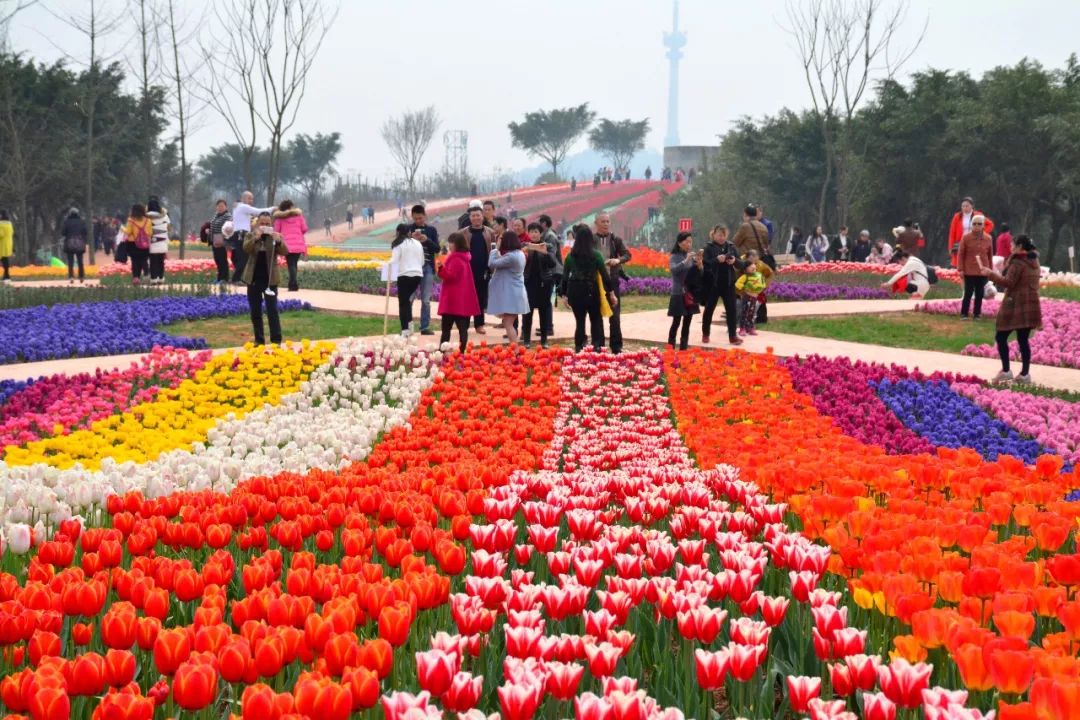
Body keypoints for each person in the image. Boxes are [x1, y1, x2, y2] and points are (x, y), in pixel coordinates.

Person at [982, 235, 1041, 384]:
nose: (1010, 247)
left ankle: (1006, 370)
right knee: (1023, 340)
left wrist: (990, 274)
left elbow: (1008, 282)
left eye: (1012, 244)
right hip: (1030, 303)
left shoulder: (1018, 261)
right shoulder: (1034, 260)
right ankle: (1025, 374)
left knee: (1001, 337)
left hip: (1015, 303)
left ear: (1020, 246)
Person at [560, 225, 617, 353]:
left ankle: (579, 347)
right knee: (595, 321)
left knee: (579, 322)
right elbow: (605, 276)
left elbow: (564, 278)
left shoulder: (570, 256)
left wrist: (564, 295)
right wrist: (612, 294)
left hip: (575, 291)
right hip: (592, 291)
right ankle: (596, 348)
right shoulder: (596, 255)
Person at [242, 212, 286, 346]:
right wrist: (255, 238)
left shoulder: (274, 237)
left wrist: (278, 242)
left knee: (272, 310)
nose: (264, 226)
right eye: (262, 223)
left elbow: (285, 251)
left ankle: (276, 340)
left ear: (271, 224)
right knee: (255, 311)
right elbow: (246, 248)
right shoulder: (251, 235)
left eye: (267, 224)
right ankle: (259, 340)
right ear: (257, 223)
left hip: (270, 279)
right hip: (253, 278)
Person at [594, 211, 631, 353]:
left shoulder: (616, 239)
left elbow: (628, 254)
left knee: (614, 316)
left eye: (607, 221)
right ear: (596, 223)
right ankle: (599, 346)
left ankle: (616, 347)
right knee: (596, 315)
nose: (605, 224)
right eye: (602, 221)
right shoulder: (591, 240)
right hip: (596, 282)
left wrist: (618, 260)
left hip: (612, 281)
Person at [437, 232, 480, 353]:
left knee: (446, 329)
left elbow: (449, 275)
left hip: (452, 300)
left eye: (451, 243)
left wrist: (441, 268)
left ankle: (442, 352)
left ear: (457, 244)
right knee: (463, 329)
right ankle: (462, 352)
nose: (449, 245)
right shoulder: (465, 257)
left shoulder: (455, 258)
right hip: (462, 302)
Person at [700, 224, 743, 346]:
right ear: (713, 234)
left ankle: (733, 336)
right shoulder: (708, 248)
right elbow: (704, 264)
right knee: (709, 309)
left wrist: (734, 261)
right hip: (713, 284)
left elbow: (741, 264)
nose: (721, 237)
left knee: (731, 310)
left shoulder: (731, 247)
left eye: (724, 235)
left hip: (728, 283)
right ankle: (705, 334)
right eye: (719, 235)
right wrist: (716, 260)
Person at [487, 232, 530, 344]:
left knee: (508, 324)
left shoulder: (511, 257)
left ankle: (514, 349)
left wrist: (495, 248)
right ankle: (514, 348)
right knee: (509, 323)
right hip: (516, 294)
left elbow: (491, 263)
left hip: (512, 295)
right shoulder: (519, 254)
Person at [406, 204, 440, 335]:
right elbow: (399, 246)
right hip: (412, 269)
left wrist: (427, 240)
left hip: (427, 268)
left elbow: (437, 249)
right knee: (410, 298)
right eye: (415, 219)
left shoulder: (431, 230)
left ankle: (424, 327)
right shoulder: (408, 230)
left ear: (425, 216)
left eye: (420, 218)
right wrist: (411, 239)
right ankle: (407, 326)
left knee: (426, 300)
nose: (418, 221)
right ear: (412, 217)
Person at [521, 221, 556, 349]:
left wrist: (545, 252)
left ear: (540, 233)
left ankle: (544, 340)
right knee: (527, 312)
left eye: (536, 231)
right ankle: (526, 340)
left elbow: (553, 264)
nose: (534, 234)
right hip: (528, 282)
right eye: (531, 231)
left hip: (544, 283)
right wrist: (522, 252)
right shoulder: (524, 246)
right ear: (528, 233)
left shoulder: (548, 246)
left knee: (544, 311)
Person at [668, 232, 703, 350]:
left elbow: (699, 275)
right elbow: (674, 270)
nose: (689, 244)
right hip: (678, 293)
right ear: (679, 243)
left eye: (690, 242)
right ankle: (670, 347)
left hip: (690, 293)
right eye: (686, 241)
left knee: (687, 322)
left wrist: (700, 265)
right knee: (676, 321)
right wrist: (686, 260)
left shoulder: (691, 257)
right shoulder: (674, 256)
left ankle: (683, 348)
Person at [231, 191, 276, 284]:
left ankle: (238, 278)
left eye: (252, 198)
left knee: (241, 256)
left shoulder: (238, 207)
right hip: (241, 234)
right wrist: (273, 208)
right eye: (249, 198)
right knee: (244, 257)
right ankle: (236, 278)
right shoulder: (243, 207)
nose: (251, 201)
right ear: (243, 198)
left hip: (239, 234)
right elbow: (258, 212)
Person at [388, 223, 424, 336]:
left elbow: (393, 261)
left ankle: (405, 330)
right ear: (409, 232)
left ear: (398, 232)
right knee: (407, 302)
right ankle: (410, 327)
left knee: (403, 303)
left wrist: (384, 268)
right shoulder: (418, 243)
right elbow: (422, 261)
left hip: (404, 275)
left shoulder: (398, 244)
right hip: (417, 275)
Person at [464, 205, 495, 334]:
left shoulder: (489, 232)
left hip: (483, 271)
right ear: (470, 218)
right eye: (473, 216)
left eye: (478, 215)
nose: (476, 218)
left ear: (482, 217)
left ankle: (479, 324)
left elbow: (493, 251)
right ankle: (464, 324)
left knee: (481, 298)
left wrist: (491, 268)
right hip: (467, 270)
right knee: (466, 297)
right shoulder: (463, 233)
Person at [957, 214, 993, 320]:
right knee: (968, 293)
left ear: (983, 226)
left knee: (980, 293)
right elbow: (961, 254)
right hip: (969, 271)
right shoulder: (966, 237)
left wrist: (990, 271)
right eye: (974, 224)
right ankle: (964, 314)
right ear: (971, 225)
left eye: (979, 224)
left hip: (983, 271)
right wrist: (960, 269)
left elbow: (990, 255)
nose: (976, 226)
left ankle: (977, 314)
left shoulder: (988, 238)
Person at [273, 199, 308, 292]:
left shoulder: (279, 218)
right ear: (290, 207)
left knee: (291, 264)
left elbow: (276, 231)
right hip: (298, 243)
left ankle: (293, 284)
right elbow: (304, 229)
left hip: (286, 245)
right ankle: (293, 284)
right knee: (294, 263)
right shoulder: (299, 216)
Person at [537, 214, 563, 339]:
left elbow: (551, 255)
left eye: (539, 223)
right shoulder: (546, 235)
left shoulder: (550, 236)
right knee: (545, 300)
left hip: (553, 271)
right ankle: (545, 325)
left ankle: (549, 328)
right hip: (549, 271)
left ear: (544, 224)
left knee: (548, 301)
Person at [948, 197, 993, 267]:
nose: (964, 208)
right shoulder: (957, 216)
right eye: (963, 206)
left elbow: (990, 225)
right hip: (960, 242)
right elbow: (952, 233)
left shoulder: (978, 215)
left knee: (973, 262)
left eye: (967, 206)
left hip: (974, 242)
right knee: (959, 263)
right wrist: (950, 247)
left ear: (972, 206)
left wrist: (980, 233)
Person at [735, 252, 768, 336]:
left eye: (753, 265)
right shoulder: (745, 277)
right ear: (745, 269)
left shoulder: (759, 275)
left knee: (752, 313)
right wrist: (744, 291)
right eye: (750, 266)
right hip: (746, 297)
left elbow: (763, 283)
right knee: (744, 312)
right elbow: (738, 285)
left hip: (754, 297)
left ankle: (750, 328)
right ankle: (742, 328)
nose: (753, 266)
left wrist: (760, 289)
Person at [121, 204, 153, 284]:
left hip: (133, 244)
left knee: (135, 261)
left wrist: (122, 228)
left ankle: (136, 277)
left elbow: (128, 232)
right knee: (144, 260)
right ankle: (146, 274)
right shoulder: (148, 220)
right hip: (144, 244)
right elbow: (150, 233)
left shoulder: (131, 220)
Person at [146, 197, 170, 284]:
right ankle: (161, 278)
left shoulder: (147, 217)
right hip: (163, 241)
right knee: (161, 261)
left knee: (153, 261)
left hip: (152, 241)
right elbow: (169, 227)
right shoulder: (165, 216)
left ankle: (153, 279)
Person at [61, 208, 88, 284]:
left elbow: (63, 232)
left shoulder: (66, 222)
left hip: (69, 243)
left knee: (70, 261)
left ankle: (71, 277)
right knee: (80, 261)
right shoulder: (81, 222)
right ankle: (81, 276)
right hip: (79, 243)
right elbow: (85, 232)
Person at [209, 199, 232, 284]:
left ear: (226, 207)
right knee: (217, 259)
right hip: (214, 240)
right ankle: (219, 277)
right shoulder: (216, 216)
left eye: (222, 206)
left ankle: (224, 278)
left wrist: (224, 234)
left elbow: (229, 226)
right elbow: (213, 225)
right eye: (218, 206)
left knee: (222, 259)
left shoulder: (228, 216)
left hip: (222, 241)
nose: (220, 208)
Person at [0, 210, 13, 282]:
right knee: (5, 260)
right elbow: (12, 233)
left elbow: (1, 234)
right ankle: (7, 276)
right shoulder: (9, 224)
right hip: (8, 244)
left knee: (4, 260)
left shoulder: (1, 224)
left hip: (1, 245)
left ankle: (7, 276)